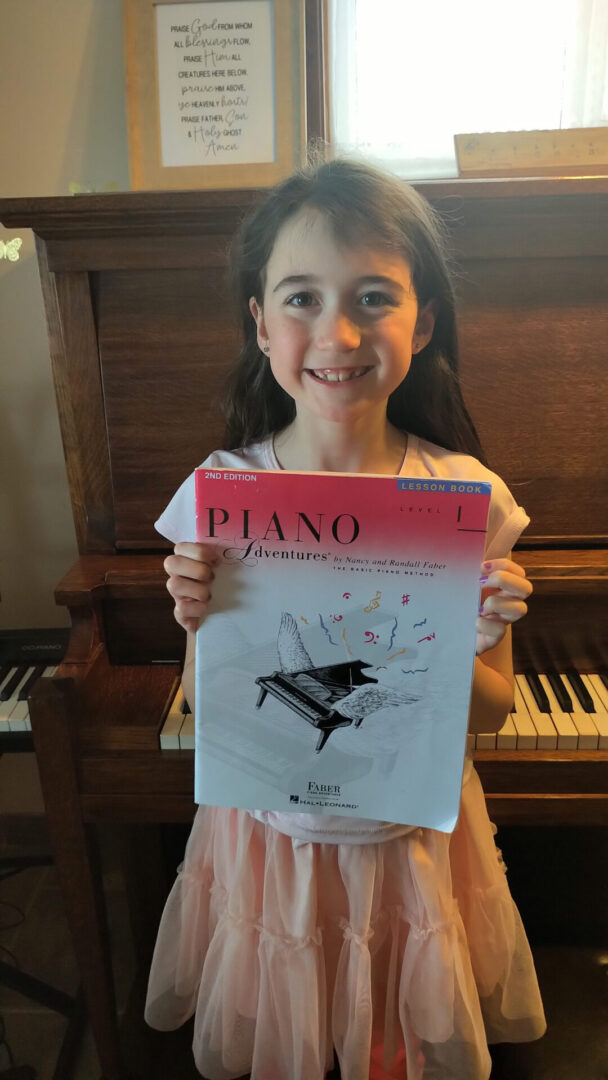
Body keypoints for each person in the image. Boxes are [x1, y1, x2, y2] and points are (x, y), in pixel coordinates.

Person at [144, 158, 546, 1080]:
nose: (338, 330)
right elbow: (211, 706)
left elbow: (488, 714)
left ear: (424, 320)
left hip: (408, 850)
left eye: (374, 296)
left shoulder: (467, 499)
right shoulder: (224, 496)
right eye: (301, 298)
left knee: (393, 1045)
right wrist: (196, 617)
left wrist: (473, 645)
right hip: (270, 845)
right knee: (288, 1029)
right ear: (259, 321)